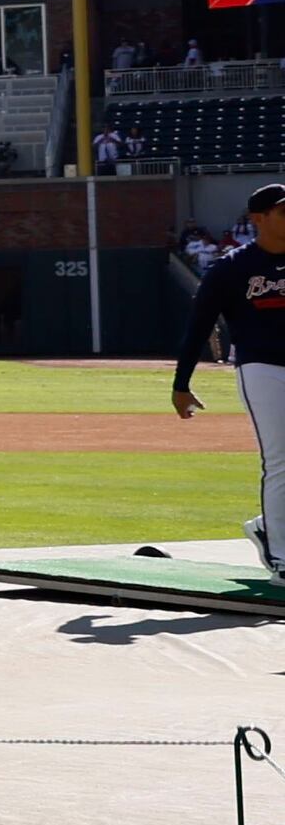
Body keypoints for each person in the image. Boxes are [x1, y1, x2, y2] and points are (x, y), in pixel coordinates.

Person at [168, 181, 285, 570]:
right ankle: (281, 557)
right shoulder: (231, 268)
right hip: (261, 367)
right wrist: (182, 383)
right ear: (259, 218)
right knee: (279, 459)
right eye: (283, 211)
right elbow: (199, 326)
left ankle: (267, 528)